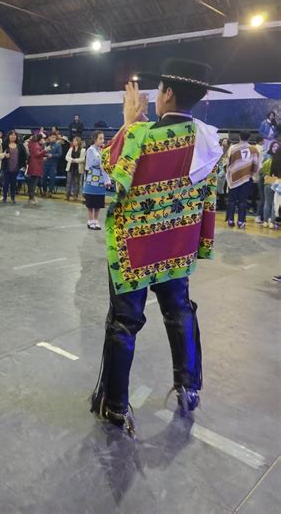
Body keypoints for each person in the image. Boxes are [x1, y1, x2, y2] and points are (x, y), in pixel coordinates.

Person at [90, 58, 231, 436]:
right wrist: (201, 242)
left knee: (124, 323)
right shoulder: (210, 142)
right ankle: (189, 386)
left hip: (135, 247)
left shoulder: (141, 136)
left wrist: (127, 122)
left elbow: (109, 174)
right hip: (177, 247)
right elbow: (207, 202)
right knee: (179, 312)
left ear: (167, 93)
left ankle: (117, 406)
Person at [225, 131, 260, 228]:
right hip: (247, 179)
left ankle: (230, 220)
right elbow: (256, 164)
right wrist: (252, 174)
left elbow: (227, 162)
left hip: (234, 178)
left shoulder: (233, 148)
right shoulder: (254, 149)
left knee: (231, 201)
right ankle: (241, 222)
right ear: (249, 138)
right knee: (243, 201)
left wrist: (229, 173)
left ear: (239, 137)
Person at [83, 131, 110, 230]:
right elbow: (93, 162)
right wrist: (103, 156)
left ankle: (96, 220)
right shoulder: (91, 150)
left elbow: (106, 165)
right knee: (91, 203)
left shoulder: (103, 150)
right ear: (95, 139)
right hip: (92, 180)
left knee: (98, 203)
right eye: (100, 138)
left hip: (101, 181)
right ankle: (90, 220)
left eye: (103, 138)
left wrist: (107, 180)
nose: (102, 140)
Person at [2, 130, 27, 204]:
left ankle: (13, 198)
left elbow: (24, 156)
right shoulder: (4, 144)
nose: (13, 136)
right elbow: (0, 154)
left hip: (16, 167)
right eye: (11, 135)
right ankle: (5, 198)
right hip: (6, 167)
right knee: (6, 183)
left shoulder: (20, 145)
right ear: (8, 136)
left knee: (13, 183)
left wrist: (23, 165)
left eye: (14, 135)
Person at [259, 147, 280, 228]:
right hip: (279, 183)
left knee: (267, 203)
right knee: (275, 204)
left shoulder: (269, 160)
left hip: (269, 180)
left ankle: (265, 221)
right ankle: (272, 222)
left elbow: (261, 171)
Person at [27, 134, 48, 205]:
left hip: (34, 165)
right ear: (39, 139)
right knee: (33, 183)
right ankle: (31, 198)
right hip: (35, 166)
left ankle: (31, 197)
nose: (44, 140)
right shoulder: (36, 145)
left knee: (32, 183)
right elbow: (37, 154)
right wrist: (45, 150)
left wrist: (45, 154)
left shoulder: (34, 144)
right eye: (42, 139)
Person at [216, 137, 230, 211]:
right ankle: (221, 204)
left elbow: (227, 164)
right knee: (220, 189)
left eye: (225, 141)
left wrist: (221, 173)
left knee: (222, 189)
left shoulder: (229, 151)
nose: (224, 142)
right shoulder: (220, 149)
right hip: (219, 169)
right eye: (223, 141)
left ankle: (223, 205)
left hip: (225, 171)